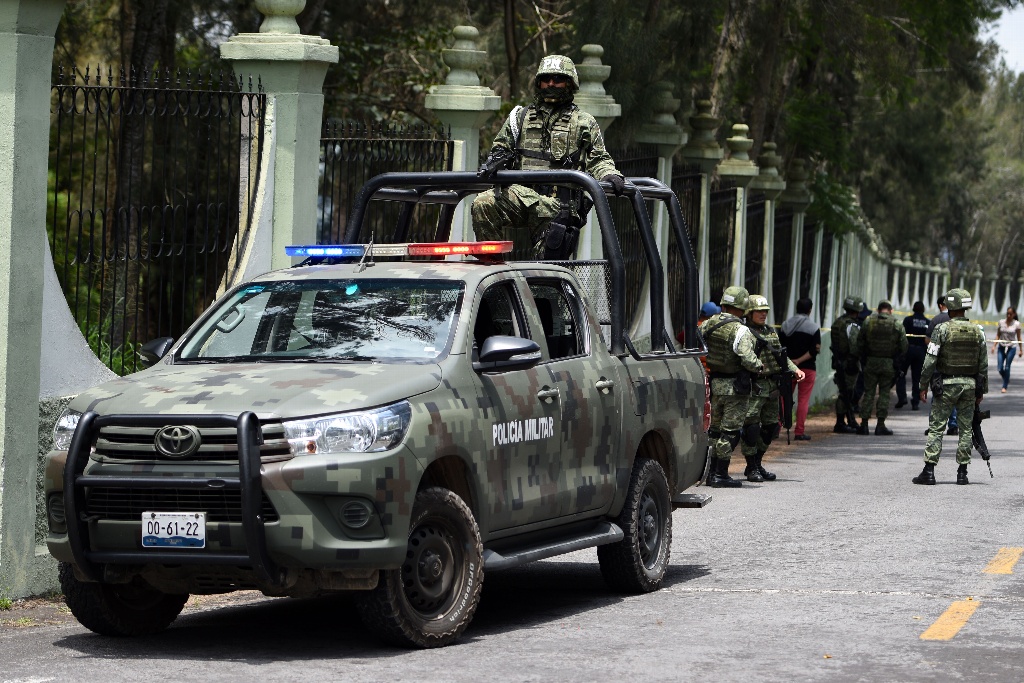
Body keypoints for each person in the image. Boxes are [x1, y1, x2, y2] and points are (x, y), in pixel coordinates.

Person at [472, 54, 626, 259]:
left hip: (559, 206)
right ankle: (494, 276)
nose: (551, 83)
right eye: (546, 79)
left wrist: (610, 175)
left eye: (558, 79)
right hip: (521, 196)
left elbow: (598, 159)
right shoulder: (520, 117)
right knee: (483, 203)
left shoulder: (583, 123)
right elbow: (501, 148)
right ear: (539, 83)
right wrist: (496, 161)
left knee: (546, 275)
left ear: (570, 83)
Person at [914, 288, 988, 485]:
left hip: (946, 385)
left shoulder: (941, 330)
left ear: (951, 307)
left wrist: (923, 385)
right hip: (969, 386)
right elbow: (983, 365)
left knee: (937, 427)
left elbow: (930, 360)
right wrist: (981, 391)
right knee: (965, 429)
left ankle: (929, 471)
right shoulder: (978, 331)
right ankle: (962, 473)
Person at [700, 286, 766, 488]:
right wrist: (759, 366)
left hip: (715, 384)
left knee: (714, 431)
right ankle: (721, 473)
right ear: (744, 306)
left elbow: (697, 343)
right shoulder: (740, 330)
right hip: (736, 387)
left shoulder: (708, 323)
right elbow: (746, 357)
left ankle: (710, 473)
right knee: (730, 432)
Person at [741, 294, 804, 481]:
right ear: (749, 312)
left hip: (772, 385)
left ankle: (758, 462)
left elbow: (780, 358)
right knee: (751, 428)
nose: (763, 314)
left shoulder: (770, 332)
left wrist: (795, 369)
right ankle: (751, 466)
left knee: (770, 427)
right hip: (754, 385)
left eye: (765, 311)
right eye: (759, 311)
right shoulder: (744, 333)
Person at [855, 300, 908, 435]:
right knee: (884, 393)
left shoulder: (868, 322)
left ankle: (864, 424)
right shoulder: (896, 324)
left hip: (871, 362)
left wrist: (863, 357)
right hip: (888, 363)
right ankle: (880, 425)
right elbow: (904, 346)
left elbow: (859, 342)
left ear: (878, 310)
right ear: (890, 310)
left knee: (869, 392)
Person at [780, 297, 820, 441]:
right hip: (807, 369)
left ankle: (777, 428)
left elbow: (780, 348)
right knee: (803, 400)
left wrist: (791, 362)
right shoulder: (813, 327)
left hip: (787, 369)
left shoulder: (785, 325)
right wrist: (799, 361)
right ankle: (799, 431)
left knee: (784, 398)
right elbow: (814, 351)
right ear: (810, 310)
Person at [829, 295, 863, 434]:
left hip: (839, 360)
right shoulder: (851, 325)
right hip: (849, 362)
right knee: (847, 392)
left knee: (844, 391)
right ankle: (840, 422)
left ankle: (846, 420)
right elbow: (855, 346)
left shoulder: (838, 322)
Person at [926, 295, 958, 435]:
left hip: (939, 365)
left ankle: (935, 424)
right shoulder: (958, 321)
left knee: (937, 393)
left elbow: (927, 341)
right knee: (953, 394)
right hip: (956, 364)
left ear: (940, 305)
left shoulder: (936, 320)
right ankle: (953, 424)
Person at [895, 301, 929, 410]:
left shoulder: (908, 320)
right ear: (923, 310)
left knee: (901, 374)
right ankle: (915, 402)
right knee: (917, 378)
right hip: (921, 352)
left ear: (913, 309)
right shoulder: (927, 322)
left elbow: (902, 336)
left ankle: (902, 397)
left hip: (908, 350)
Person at [684, 301, 721, 374]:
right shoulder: (708, 328)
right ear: (711, 316)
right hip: (706, 368)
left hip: (695, 366)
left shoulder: (693, 327)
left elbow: (679, 338)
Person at [991, 306, 1022, 393]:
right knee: (1000, 368)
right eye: (1007, 313)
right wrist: (994, 346)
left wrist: (1021, 350)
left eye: (1010, 314)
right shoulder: (1001, 322)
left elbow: (1019, 337)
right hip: (1001, 346)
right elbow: (998, 334)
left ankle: (1004, 386)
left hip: (1011, 347)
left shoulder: (1016, 324)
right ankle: (1006, 378)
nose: (1009, 315)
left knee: (1007, 367)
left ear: (1014, 314)